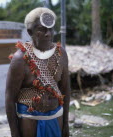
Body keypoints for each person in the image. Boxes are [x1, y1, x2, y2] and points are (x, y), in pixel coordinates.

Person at [5, 7, 70, 137]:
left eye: (51, 29)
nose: (48, 34)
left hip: (56, 118)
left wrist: (66, 124)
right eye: (42, 29)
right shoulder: (20, 59)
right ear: (30, 32)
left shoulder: (61, 53)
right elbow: (9, 98)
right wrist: (15, 133)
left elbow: (65, 89)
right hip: (30, 122)